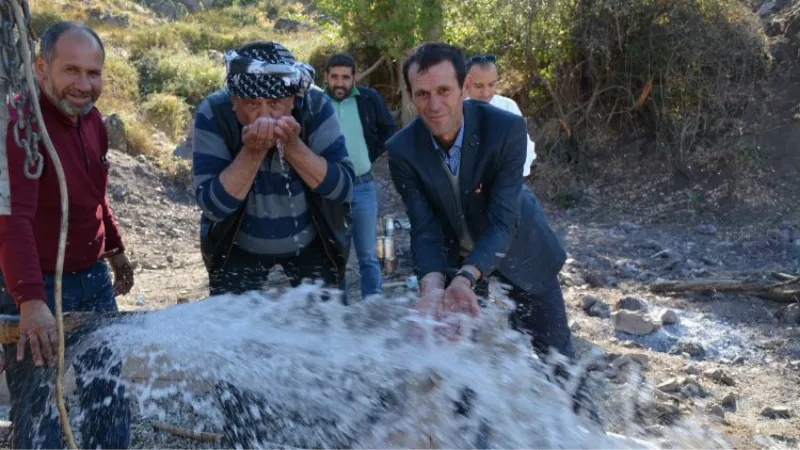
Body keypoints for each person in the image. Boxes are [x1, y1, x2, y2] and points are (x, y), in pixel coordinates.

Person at [389, 41, 574, 362]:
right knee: (459, 361)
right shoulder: (402, 149)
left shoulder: (505, 129)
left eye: (444, 90)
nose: (434, 105)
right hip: (455, 257)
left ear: (464, 88)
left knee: (557, 359)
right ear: (410, 95)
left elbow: (504, 218)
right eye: (422, 94)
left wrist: (465, 277)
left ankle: (577, 413)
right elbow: (424, 227)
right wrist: (432, 287)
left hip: (522, 247)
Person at [0, 21, 133, 449]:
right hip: (36, 287)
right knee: (38, 410)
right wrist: (31, 302)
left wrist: (114, 250)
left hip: (92, 279)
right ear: (41, 68)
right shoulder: (19, 125)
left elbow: (95, 195)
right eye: (71, 71)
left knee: (109, 395)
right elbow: (11, 220)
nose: (84, 84)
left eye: (93, 73)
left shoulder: (93, 122)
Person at [193, 41, 354, 297]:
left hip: (312, 241)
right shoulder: (213, 112)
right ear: (234, 101)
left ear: (292, 99)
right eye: (252, 105)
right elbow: (213, 206)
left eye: (275, 103)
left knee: (327, 325)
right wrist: (252, 152)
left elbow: (343, 188)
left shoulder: (315, 104)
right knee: (230, 332)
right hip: (237, 245)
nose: (265, 117)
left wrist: (292, 146)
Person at [323, 53, 396, 299]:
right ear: (326, 77)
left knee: (368, 255)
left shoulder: (369, 98)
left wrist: (369, 153)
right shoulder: (316, 102)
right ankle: (339, 313)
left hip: (362, 186)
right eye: (335, 77)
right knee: (335, 255)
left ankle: (372, 309)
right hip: (328, 190)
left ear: (354, 77)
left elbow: (388, 128)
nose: (340, 83)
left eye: (345, 77)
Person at [464, 54, 536, 177]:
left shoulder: (508, 107)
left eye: (491, 84)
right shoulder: (454, 110)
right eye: (479, 85)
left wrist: (512, 180)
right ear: (466, 82)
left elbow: (525, 148)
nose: (486, 93)